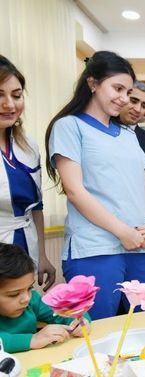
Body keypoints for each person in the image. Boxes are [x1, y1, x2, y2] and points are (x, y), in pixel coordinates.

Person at [45, 51, 145, 320]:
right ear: (93, 83)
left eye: (128, 92)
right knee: (100, 330)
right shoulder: (69, 126)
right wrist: (122, 231)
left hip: (141, 245)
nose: (123, 98)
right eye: (117, 89)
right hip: (95, 248)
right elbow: (75, 191)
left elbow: (144, 182)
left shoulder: (127, 134)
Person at [0, 55, 56, 291]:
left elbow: (36, 207)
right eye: (0, 95)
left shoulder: (28, 146)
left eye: (16, 95)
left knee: (24, 306)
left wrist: (42, 255)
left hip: (25, 246)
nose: (10, 105)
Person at [0, 243, 88, 353]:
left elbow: (65, 311)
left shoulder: (33, 300)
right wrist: (33, 340)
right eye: (14, 294)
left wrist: (79, 321)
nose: (26, 298)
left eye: (29, 288)